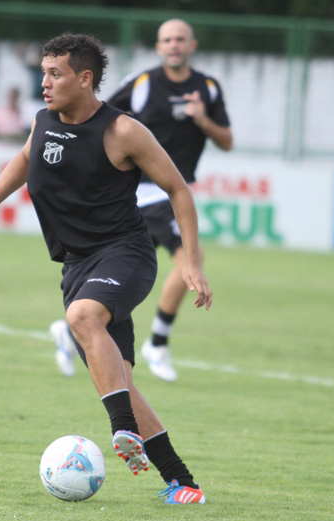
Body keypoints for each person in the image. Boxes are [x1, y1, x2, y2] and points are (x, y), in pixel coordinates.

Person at [0, 33, 211, 504]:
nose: (44, 82)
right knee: (122, 381)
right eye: (44, 72)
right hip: (76, 266)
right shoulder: (44, 122)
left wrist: (192, 260)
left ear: (85, 78)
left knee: (81, 317)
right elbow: (25, 156)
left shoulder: (123, 131)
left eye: (55, 73)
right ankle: (182, 483)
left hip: (126, 254)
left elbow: (179, 189)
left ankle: (122, 431)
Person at [50, 19, 232, 381]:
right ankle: (158, 342)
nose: (174, 45)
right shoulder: (142, 83)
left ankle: (71, 329)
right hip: (141, 193)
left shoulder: (208, 88)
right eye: (167, 40)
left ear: (192, 45)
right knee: (190, 258)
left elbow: (227, 140)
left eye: (180, 39)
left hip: (175, 190)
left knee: (123, 274)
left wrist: (202, 120)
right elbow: (95, 114)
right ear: (159, 46)